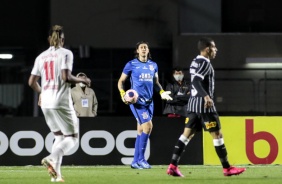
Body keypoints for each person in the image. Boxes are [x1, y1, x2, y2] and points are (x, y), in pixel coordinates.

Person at [166, 37, 246, 177]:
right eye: (214, 48)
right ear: (208, 49)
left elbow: (194, 81)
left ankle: (173, 165)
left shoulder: (195, 61)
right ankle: (227, 168)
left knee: (186, 135)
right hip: (204, 106)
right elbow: (196, 81)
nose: (216, 50)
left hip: (192, 105)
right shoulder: (205, 63)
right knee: (217, 135)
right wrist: (206, 96)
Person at [28, 25, 91, 182]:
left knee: (59, 137)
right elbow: (66, 77)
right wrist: (83, 79)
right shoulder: (66, 53)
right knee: (73, 138)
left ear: (49, 39)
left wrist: (42, 92)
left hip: (46, 102)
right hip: (61, 101)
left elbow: (31, 82)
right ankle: (51, 158)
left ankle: (56, 176)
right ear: (63, 39)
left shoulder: (40, 57)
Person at [117, 41, 172, 169]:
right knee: (148, 127)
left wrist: (162, 92)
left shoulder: (153, 65)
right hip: (137, 102)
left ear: (148, 50)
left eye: (145, 47)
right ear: (137, 51)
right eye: (141, 47)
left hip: (149, 102)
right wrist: (122, 93)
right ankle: (142, 159)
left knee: (141, 130)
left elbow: (156, 82)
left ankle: (135, 162)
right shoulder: (131, 64)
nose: (143, 49)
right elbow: (121, 81)